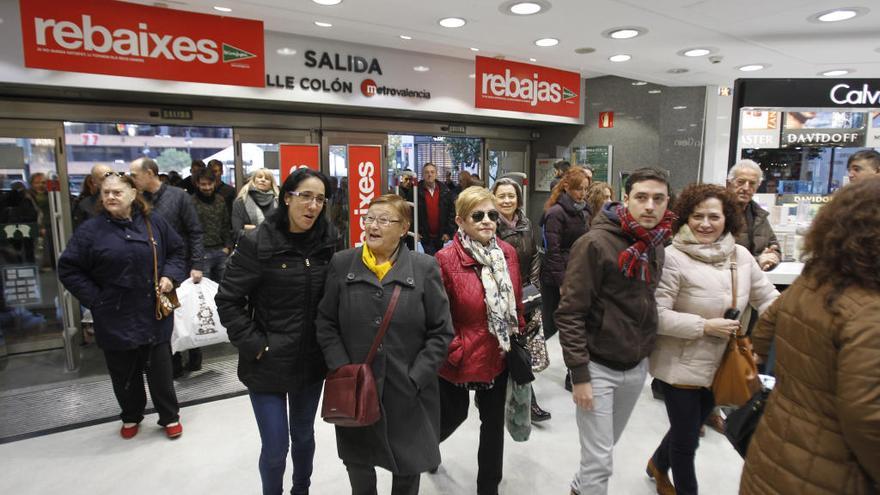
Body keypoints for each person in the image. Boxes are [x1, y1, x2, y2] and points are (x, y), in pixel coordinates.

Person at [740, 176, 880, 495]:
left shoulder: (813, 280)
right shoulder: (869, 311)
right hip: (833, 471)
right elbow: (868, 418)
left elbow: (760, 338)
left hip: (774, 446)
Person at [316, 194, 453, 495]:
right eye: (369, 218)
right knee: (359, 466)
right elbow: (325, 322)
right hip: (357, 388)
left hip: (408, 390)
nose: (373, 226)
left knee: (407, 467)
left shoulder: (424, 267)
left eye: (384, 220)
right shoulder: (343, 263)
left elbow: (441, 331)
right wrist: (342, 368)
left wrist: (416, 376)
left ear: (404, 228)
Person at [647, 184, 779, 495]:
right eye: (697, 216)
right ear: (684, 219)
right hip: (678, 365)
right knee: (687, 440)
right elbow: (656, 314)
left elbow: (769, 298)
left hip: (721, 364)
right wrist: (705, 326)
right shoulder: (672, 257)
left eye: (713, 217)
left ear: (727, 218)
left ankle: (656, 463)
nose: (705, 224)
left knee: (687, 428)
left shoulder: (741, 256)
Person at [216, 169, 338, 495]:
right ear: (287, 198)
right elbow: (228, 301)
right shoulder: (258, 241)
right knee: (275, 448)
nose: (313, 205)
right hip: (266, 362)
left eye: (320, 199)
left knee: (303, 436)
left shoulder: (328, 241)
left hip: (310, 362)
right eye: (305, 196)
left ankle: (301, 490)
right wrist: (256, 345)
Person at [556, 167, 674, 495]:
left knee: (604, 449)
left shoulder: (656, 242)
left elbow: (648, 300)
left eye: (658, 198)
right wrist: (580, 375)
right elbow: (570, 313)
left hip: (635, 366)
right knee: (600, 462)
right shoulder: (594, 243)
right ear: (626, 199)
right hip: (597, 368)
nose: (650, 206)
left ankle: (579, 489)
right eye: (641, 197)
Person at [58, 172, 186, 439]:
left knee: (161, 369)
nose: (110, 197)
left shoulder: (153, 222)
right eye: (106, 193)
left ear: (132, 194)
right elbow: (69, 269)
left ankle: (169, 416)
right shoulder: (91, 230)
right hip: (114, 313)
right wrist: (96, 299)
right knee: (124, 372)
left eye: (117, 192)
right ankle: (131, 415)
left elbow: (176, 250)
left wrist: (170, 276)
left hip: (154, 310)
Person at [435, 186, 526, 495]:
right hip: (460, 355)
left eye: (491, 214)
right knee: (452, 415)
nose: (488, 221)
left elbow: (516, 300)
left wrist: (517, 337)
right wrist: (454, 348)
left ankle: (489, 487)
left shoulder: (508, 253)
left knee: (492, 425)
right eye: (478, 215)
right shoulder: (445, 258)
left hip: (497, 353)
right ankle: (427, 450)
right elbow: (436, 315)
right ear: (460, 221)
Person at [130, 157, 206, 376]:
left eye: (135, 175)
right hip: (152, 271)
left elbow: (195, 231)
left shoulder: (178, 196)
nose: (132, 179)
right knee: (164, 316)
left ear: (150, 173)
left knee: (186, 316)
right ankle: (172, 365)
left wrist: (197, 264)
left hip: (180, 268)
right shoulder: (137, 200)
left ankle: (194, 357)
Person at [492, 178, 550, 423]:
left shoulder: (526, 223)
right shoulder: (488, 223)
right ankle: (527, 402)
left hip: (526, 294)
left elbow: (536, 253)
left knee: (522, 349)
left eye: (511, 196)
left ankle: (523, 398)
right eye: (502, 196)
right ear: (493, 198)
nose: (507, 200)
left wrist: (533, 285)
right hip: (501, 296)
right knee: (511, 350)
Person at [540, 167, 592, 342]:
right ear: (567, 187)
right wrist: (561, 282)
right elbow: (552, 251)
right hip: (557, 277)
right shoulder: (555, 213)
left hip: (577, 272)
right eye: (579, 189)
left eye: (586, 189)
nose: (583, 193)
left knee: (574, 323)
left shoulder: (584, 210)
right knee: (552, 322)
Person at [726, 159, 781, 272]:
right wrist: (758, 261)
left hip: (754, 279)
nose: (746, 188)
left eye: (752, 183)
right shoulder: (719, 214)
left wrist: (772, 257)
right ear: (729, 183)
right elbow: (718, 255)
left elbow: (774, 245)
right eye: (741, 182)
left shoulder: (759, 214)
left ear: (757, 186)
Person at [191, 168, 232, 282]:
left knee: (224, 289)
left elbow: (226, 224)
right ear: (197, 184)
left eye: (210, 184)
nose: (207, 187)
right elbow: (189, 230)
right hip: (202, 254)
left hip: (221, 251)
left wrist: (227, 247)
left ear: (215, 183)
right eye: (203, 184)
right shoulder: (191, 202)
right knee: (205, 291)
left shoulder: (220, 200)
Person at [416, 162, 456, 255]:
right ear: (423, 175)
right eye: (426, 172)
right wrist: (415, 232)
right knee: (430, 261)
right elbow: (409, 213)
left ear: (436, 174)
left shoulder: (445, 191)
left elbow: (451, 213)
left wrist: (448, 233)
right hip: (424, 236)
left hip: (441, 236)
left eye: (432, 172)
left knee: (439, 262)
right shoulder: (415, 191)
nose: (429, 174)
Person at [231, 168, 279, 240]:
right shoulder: (240, 202)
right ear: (253, 180)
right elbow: (237, 231)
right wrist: (267, 231)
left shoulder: (278, 202)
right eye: (259, 177)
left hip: (275, 248)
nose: (263, 180)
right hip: (249, 248)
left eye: (267, 178)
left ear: (271, 183)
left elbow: (282, 230)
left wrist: (251, 228)